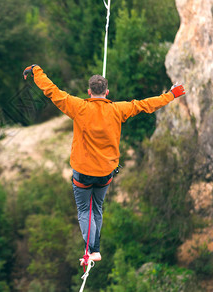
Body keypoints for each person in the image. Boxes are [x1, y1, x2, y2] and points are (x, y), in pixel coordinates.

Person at [23, 64, 185, 264]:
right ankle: (94, 249)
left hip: (83, 172)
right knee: (97, 208)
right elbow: (145, 105)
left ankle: (91, 250)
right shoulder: (118, 109)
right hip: (105, 173)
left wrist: (36, 71)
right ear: (107, 92)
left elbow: (52, 91)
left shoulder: (78, 106)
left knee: (85, 210)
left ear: (89, 92)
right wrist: (172, 94)